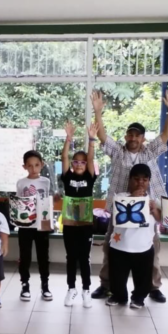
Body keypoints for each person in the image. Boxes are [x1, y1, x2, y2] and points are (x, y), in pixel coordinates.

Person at [91, 88, 168, 303]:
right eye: (130, 134)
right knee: (111, 248)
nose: (133, 138)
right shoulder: (118, 152)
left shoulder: (149, 152)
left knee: (152, 248)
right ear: (126, 136)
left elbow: (166, 135)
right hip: (119, 210)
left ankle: (153, 287)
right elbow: (102, 136)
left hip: (148, 210)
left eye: (137, 135)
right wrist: (98, 111)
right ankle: (106, 284)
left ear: (143, 138)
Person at [106, 164, 161, 308]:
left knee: (143, 277)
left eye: (144, 180)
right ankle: (118, 296)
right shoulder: (120, 196)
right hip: (120, 246)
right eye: (136, 179)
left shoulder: (153, 201)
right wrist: (133, 198)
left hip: (144, 247)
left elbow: (162, 220)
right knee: (117, 276)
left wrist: (154, 210)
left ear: (149, 181)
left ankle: (139, 298)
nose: (140, 183)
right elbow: (115, 214)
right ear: (130, 180)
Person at [60, 121, 98, 308]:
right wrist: (68, 139)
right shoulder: (68, 177)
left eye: (83, 162)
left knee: (84, 258)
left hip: (85, 224)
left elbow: (91, 159)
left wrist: (91, 140)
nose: (80, 164)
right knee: (71, 257)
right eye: (76, 161)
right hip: (69, 224)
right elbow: (64, 157)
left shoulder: (89, 177)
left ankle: (86, 290)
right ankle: (71, 288)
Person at [17, 150, 54, 301]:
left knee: (43, 256)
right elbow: (19, 203)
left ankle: (45, 285)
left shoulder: (46, 182)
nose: (33, 169)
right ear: (24, 166)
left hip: (41, 225)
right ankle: (25, 284)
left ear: (42, 165)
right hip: (25, 225)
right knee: (25, 256)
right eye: (30, 165)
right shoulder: (21, 183)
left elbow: (49, 201)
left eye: (37, 165)